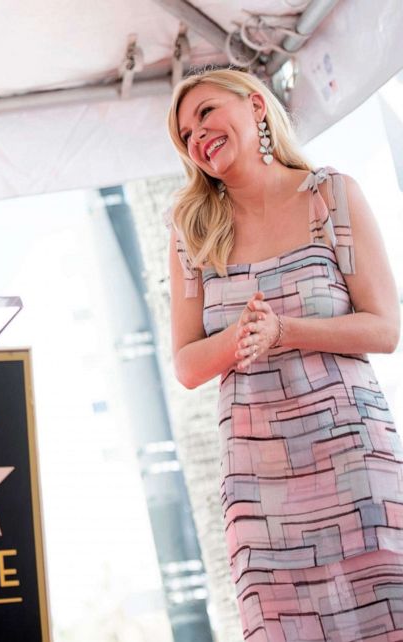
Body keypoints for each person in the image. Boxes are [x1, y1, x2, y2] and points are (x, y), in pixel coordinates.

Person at [167, 68, 402, 640]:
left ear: (254, 105)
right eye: (184, 136)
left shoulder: (331, 194)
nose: (197, 136)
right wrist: (242, 336)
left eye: (204, 114)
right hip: (258, 479)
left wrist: (287, 331)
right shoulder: (190, 231)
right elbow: (187, 364)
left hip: (353, 456)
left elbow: (385, 328)